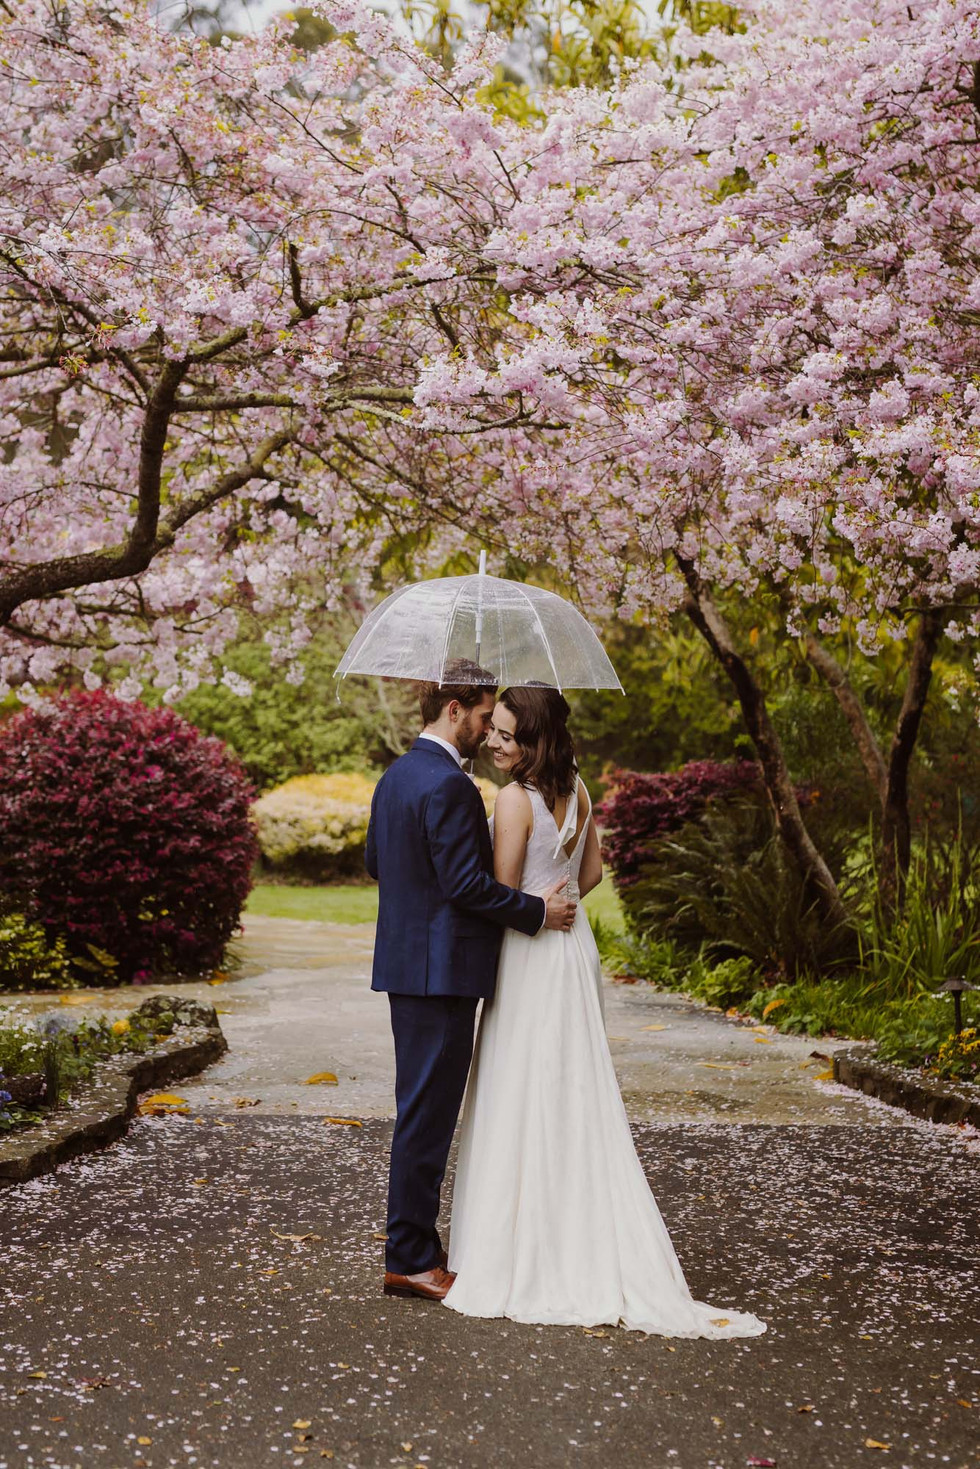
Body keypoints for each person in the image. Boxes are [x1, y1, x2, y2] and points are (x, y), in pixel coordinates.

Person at [443, 685, 767, 1339]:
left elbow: (502, 892)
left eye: (507, 734)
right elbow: (590, 875)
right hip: (572, 948)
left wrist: (530, 899)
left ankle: (515, 1249)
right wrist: (555, 896)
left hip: (529, 950)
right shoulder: (581, 788)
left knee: (518, 1085)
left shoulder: (511, 799)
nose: (495, 743)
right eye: (495, 731)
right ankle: (574, 1230)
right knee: (571, 1085)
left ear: (534, 739)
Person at [365, 661, 577, 1303]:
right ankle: (410, 1258)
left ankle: (415, 1249)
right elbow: (466, 886)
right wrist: (539, 911)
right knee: (427, 1118)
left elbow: (377, 863)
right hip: (443, 973)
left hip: (409, 969)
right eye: (486, 715)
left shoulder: (397, 775)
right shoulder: (452, 787)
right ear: (455, 708)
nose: (490, 730)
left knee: (420, 1112)